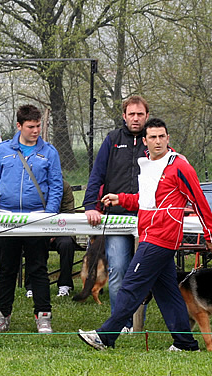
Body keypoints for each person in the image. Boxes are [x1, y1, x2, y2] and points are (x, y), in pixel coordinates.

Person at [78, 118, 212, 351]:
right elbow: (146, 202)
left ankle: (105, 336)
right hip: (149, 234)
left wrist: (211, 233)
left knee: (131, 285)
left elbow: (198, 199)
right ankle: (185, 343)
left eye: (161, 136)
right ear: (145, 141)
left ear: (168, 138)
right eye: (152, 137)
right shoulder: (147, 164)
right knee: (167, 293)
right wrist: (120, 198)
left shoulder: (179, 165)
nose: (158, 141)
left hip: (162, 237)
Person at [0, 104, 63, 334]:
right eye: (31, 126)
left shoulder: (50, 152)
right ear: (19, 126)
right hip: (6, 219)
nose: (36, 130)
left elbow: (56, 186)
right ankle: (1, 315)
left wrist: (49, 216)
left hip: (37, 219)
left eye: (39, 126)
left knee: (38, 269)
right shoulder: (3, 150)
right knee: (7, 269)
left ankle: (43, 316)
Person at [82, 96, 149, 323]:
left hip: (146, 218)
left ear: (146, 116)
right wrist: (91, 206)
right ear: (124, 116)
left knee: (140, 272)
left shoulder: (155, 140)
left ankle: (137, 322)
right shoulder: (112, 140)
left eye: (140, 114)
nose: (136, 118)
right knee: (119, 269)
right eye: (131, 114)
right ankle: (120, 323)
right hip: (116, 218)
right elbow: (97, 174)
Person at [25, 177, 77, 298]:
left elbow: (68, 213)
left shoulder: (64, 186)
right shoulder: (31, 185)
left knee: (67, 244)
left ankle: (65, 285)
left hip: (60, 230)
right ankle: (31, 286)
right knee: (31, 242)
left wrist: (54, 231)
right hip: (36, 229)